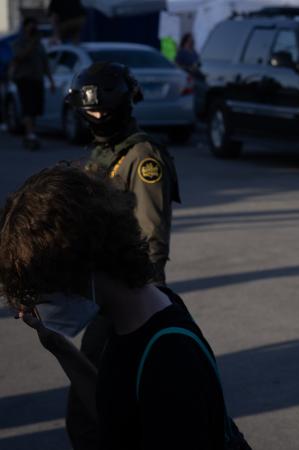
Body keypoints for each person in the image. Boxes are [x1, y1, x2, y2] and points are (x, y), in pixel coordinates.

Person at [0, 166, 238, 449]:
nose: (42, 301)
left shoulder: (169, 359)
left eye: (45, 289)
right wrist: (59, 347)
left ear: (80, 265)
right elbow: (115, 414)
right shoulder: (133, 313)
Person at [62, 61, 180, 449]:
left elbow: (152, 236)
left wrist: (137, 303)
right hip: (101, 289)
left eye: (102, 111)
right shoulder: (103, 150)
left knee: (93, 403)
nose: (95, 117)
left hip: (126, 295)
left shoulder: (142, 156)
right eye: (88, 112)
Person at [11, 17, 55, 150]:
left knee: (35, 109)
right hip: (24, 79)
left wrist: (51, 80)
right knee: (28, 108)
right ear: (25, 28)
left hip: (37, 79)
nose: (33, 29)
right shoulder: (19, 42)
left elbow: (45, 63)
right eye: (30, 26)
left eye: (34, 26)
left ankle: (31, 133)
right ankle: (30, 134)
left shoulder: (39, 44)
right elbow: (20, 56)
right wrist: (32, 43)